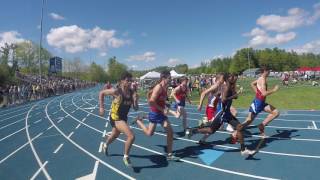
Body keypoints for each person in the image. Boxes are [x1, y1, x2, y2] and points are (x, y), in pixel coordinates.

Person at [186, 74, 255, 156]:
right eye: (232, 78)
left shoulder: (229, 86)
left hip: (227, 113)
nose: (234, 79)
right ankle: (193, 131)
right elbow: (224, 100)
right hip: (222, 114)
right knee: (211, 130)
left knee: (239, 127)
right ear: (227, 79)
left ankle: (243, 150)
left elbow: (233, 96)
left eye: (234, 78)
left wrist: (233, 93)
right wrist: (232, 96)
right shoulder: (225, 87)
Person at [134, 70, 179, 161]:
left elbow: (160, 100)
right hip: (155, 113)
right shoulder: (158, 87)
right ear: (163, 78)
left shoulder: (165, 87)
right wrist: (163, 109)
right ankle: (139, 121)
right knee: (149, 133)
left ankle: (169, 154)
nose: (171, 80)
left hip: (161, 114)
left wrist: (166, 104)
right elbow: (151, 102)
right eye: (169, 78)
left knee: (170, 132)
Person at [99, 71, 139, 167]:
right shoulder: (116, 91)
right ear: (122, 81)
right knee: (131, 136)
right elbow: (101, 93)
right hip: (115, 118)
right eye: (127, 80)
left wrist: (135, 100)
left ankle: (105, 145)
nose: (129, 82)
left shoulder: (132, 92)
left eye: (130, 80)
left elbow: (135, 108)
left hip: (123, 118)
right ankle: (126, 157)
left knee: (115, 135)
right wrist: (101, 107)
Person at [241, 66, 280, 137]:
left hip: (261, 103)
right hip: (258, 103)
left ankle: (262, 125)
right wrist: (274, 90)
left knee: (276, 112)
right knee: (248, 121)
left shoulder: (261, 78)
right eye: (269, 71)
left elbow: (252, 84)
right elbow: (264, 93)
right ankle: (235, 133)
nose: (269, 72)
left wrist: (257, 92)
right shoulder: (262, 80)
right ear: (265, 71)